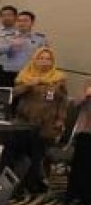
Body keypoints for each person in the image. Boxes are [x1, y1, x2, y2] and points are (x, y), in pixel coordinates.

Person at [14, 46, 68, 194]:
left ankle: (35, 183)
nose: (44, 61)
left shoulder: (58, 79)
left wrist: (60, 119)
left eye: (48, 59)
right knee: (23, 154)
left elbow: (63, 102)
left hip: (46, 123)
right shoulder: (25, 75)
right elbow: (13, 94)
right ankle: (19, 183)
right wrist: (28, 85)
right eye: (41, 58)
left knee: (38, 155)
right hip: (24, 121)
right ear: (35, 60)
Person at [0, 10, 47, 87]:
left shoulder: (40, 39)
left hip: (29, 74)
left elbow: (45, 56)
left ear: (32, 22)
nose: (22, 23)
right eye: (19, 21)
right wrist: (10, 45)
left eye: (25, 21)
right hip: (9, 74)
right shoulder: (8, 36)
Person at [64, 83, 91, 205]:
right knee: (79, 165)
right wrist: (86, 95)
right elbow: (75, 103)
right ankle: (73, 194)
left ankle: (87, 197)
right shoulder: (88, 85)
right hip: (85, 132)